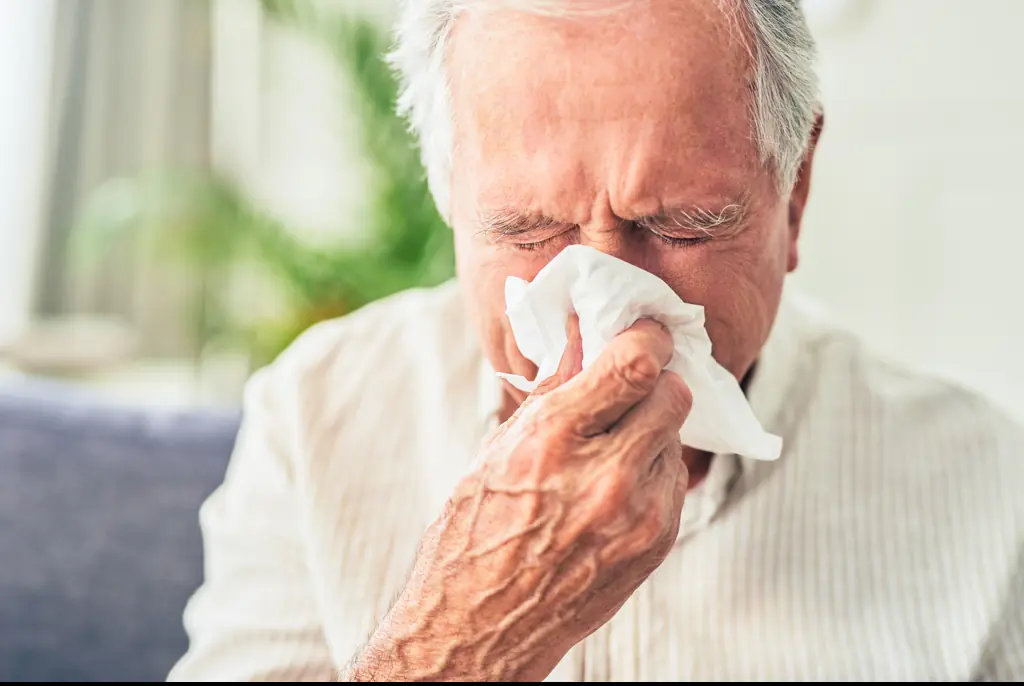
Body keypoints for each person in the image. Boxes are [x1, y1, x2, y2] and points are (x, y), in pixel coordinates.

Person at [169, 0, 1024, 681]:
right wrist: (465, 645)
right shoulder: (316, 417)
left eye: (681, 224)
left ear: (794, 193)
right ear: (450, 199)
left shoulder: (988, 495)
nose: (601, 312)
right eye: (528, 229)